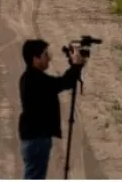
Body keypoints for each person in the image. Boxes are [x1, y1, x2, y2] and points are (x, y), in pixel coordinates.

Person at [18, 39, 86, 180]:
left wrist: (75, 67)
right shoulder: (35, 79)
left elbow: (60, 83)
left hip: (32, 138)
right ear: (35, 58)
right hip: (36, 140)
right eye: (45, 54)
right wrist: (75, 66)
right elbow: (62, 83)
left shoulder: (28, 77)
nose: (48, 58)